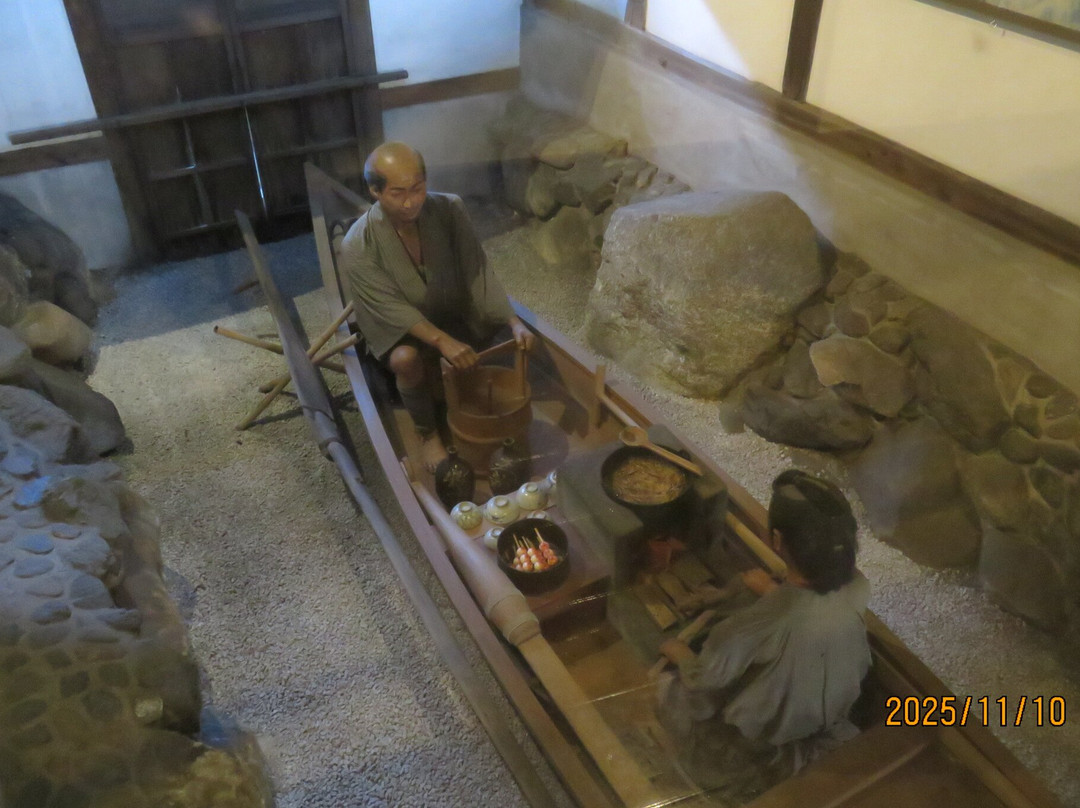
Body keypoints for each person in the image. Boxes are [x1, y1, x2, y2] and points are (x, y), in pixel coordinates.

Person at [657, 470, 871, 798]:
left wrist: (678, 652)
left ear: (777, 540)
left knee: (671, 687)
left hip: (764, 742)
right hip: (823, 715)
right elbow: (808, 609)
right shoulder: (858, 588)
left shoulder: (750, 629)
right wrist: (772, 590)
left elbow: (704, 678)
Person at [340, 142, 534, 470]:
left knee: (485, 329)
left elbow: (476, 269)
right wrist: (442, 341)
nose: (411, 201)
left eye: (418, 188)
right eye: (398, 193)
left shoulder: (449, 209)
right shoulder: (358, 244)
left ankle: (446, 384)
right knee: (407, 359)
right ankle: (427, 432)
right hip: (399, 328)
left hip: (447, 310)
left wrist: (512, 321)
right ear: (375, 191)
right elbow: (390, 309)